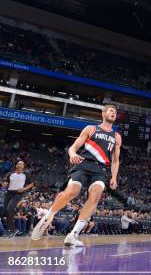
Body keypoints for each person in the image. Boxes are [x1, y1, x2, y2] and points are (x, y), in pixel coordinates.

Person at [31, 104, 122, 247]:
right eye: (111, 111)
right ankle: (49, 214)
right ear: (103, 113)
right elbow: (73, 147)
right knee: (73, 191)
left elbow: (115, 160)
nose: (114, 113)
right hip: (83, 164)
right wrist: (73, 154)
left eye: (115, 112)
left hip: (100, 169)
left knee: (95, 196)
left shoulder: (116, 136)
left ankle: (73, 235)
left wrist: (114, 177)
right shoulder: (91, 129)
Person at [3, 160, 34, 235]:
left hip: (18, 194)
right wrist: (4, 184)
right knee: (6, 211)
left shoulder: (26, 174)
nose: (21, 165)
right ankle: (10, 230)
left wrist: (24, 189)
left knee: (10, 208)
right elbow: (5, 182)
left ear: (23, 167)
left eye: (22, 164)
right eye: (19, 164)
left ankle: (13, 229)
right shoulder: (10, 174)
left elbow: (31, 184)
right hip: (8, 193)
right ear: (16, 165)